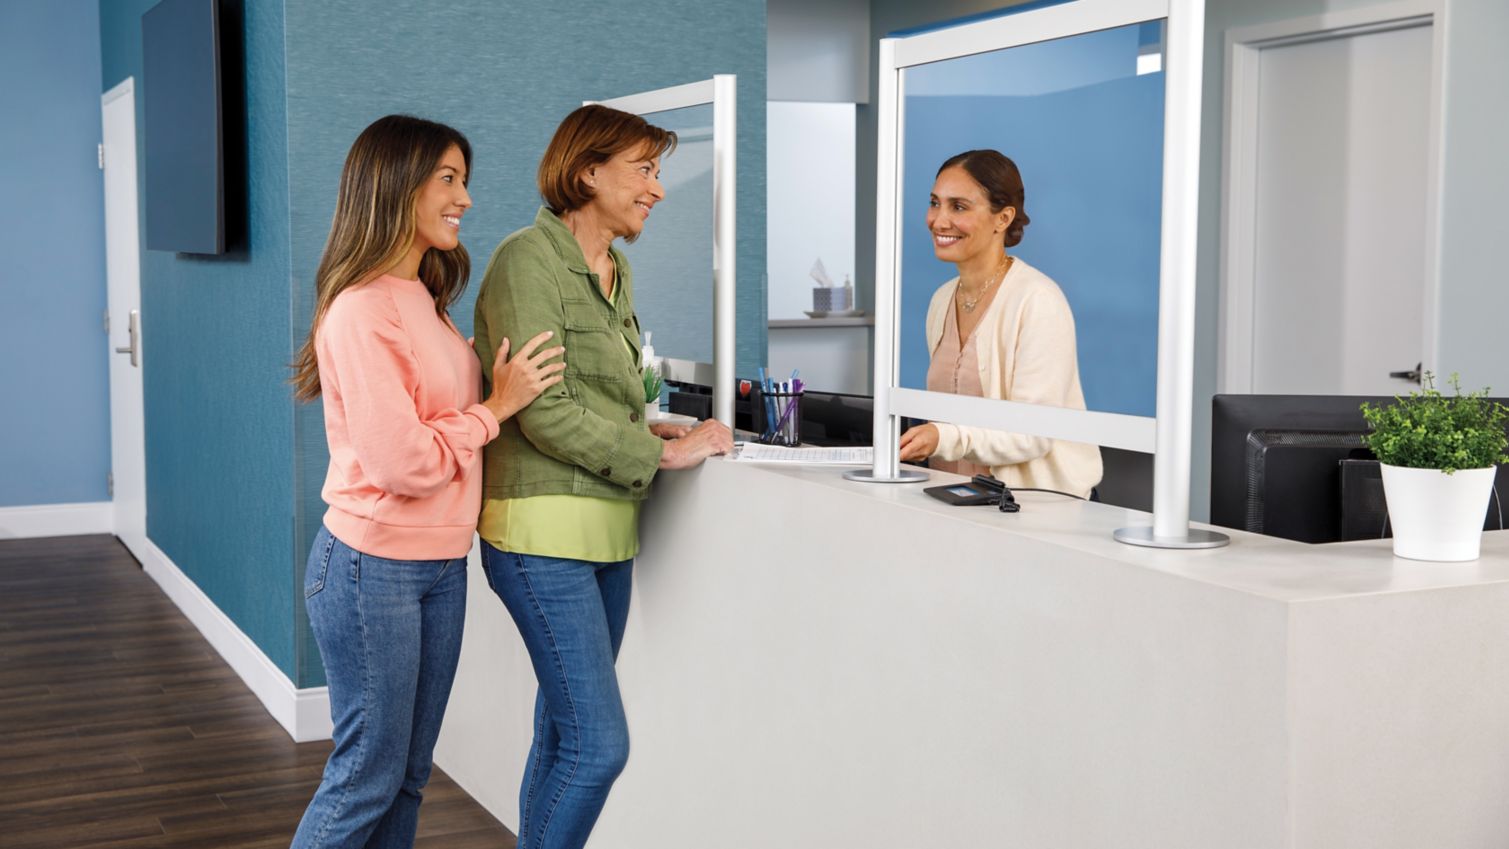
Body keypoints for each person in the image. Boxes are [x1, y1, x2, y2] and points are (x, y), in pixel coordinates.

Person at [288, 114, 564, 849]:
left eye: (463, 180)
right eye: (448, 179)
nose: (465, 198)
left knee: (408, 774)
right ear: (395, 185)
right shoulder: (361, 308)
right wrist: (493, 409)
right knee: (365, 777)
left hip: (438, 565)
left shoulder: (423, 299)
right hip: (369, 568)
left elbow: (433, 404)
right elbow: (400, 461)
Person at [472, 104, 733, 849]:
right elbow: (543, 412)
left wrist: (644, 427)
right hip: (541, 534)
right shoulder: (528, 259)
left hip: (608, 533)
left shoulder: (614, 270)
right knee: (598, 745)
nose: (657, 188)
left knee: (562, 734)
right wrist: (660, 454)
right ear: (586, 171)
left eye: (660, 171)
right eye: (644, 170)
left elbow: (593, 395)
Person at [898, 149, 1103, 498]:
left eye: (958, 207)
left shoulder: (1037, 301)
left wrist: (941, 438)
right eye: (935, 203)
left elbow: (1033, 434)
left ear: (1003, 218)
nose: (938, 220)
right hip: (959, 501)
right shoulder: (942, 300)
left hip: (1035, 508)